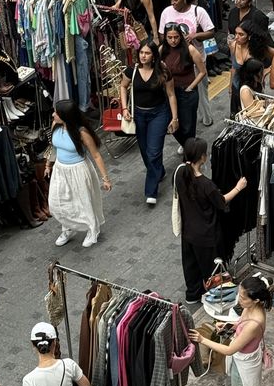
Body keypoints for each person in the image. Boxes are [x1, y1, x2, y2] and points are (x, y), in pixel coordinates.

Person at [189, 276, 273, 386]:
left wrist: (202, 340)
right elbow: (241, 324)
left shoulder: (255, 323)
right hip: (240, 359)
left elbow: (229, 349)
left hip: (244, 364)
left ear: (255, 300)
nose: (239, 299)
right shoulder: (251, 307)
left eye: (242, 297)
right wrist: (229, 326)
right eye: (239, 294)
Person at [175, 137, 247, 305]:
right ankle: (216, 297)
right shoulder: (206, 185)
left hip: (188, 231)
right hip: (206, 233)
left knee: (191, 265)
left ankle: (192, 294)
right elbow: (221, 201)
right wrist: (238, 187)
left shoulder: (180, 173)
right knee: (212, 269)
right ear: (202, 157)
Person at [44, 100, 111, 247]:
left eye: (56, 112)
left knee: (83, 203)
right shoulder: (56, 125)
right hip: (60, 170)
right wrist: (48, 164)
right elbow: (54, 148)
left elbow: (96, 155)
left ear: (65, 116)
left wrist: (105, 179)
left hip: (78, 170)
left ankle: (92, 230)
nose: (53, 114)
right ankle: (67, 228)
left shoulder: (82, 133)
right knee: (57, 203)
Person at [119, 40, 178, 205]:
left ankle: (151, 191)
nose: (143, 56)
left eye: (147, 53)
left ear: (154, 56)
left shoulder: (163, 71)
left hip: (159, 114)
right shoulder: (132, 70)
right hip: (139, 114)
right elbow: (123, 86)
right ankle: (159, 171)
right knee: (145, 151)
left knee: (153, 151)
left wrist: (174, 118)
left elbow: (171, 94)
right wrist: (124, 108)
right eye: (141, 53)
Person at [158, 0, 215, 125]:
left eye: (176, 0)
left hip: (195, 59)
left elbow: (211, 31)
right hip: (173, 61)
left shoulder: (198, 11)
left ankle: (206, 116)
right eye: (171, 0)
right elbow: (161, 34)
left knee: (201, 90)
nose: (172, 3)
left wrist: (195, 36)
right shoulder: (167, 12)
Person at [160, 22, 206, 149]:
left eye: (176, 37)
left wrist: (190, 87)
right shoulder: (162, 50)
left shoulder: (190, 49)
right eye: (170, 37)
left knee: (188, 127)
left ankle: (191, 152)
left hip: (187, 93)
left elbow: (202, 72)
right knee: (172, 123)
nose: (173, 40)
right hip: (170, 93)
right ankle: (188, 147)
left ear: (180, 36)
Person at [229, 23, 274, 115]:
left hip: (253, 87)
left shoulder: (257, 48)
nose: (236, 37)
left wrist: (268, 70)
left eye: (241, 34)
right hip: (237, 86)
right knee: (239, 115)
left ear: (249, 36)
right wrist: (230, 85)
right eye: (236, 33)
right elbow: (233, 67)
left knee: (255, 114)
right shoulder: (233, 45)